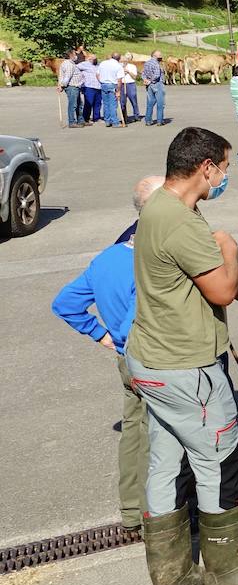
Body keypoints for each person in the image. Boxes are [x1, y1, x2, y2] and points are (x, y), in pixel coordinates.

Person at [124, 128, 238, 585]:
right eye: (225, 167)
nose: (226, 176)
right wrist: (228, 249)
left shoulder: (162, 207)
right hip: (185, 362)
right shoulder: (180, 222)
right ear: (206, 167)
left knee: (165, 460)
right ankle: (227, 569)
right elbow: (219, 290)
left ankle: (170, 577)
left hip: (153, 357)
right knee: (216, 456)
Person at [52, 175, 166, 530]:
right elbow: (140, 317)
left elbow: (65, 303)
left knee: (134, 430)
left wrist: (101, 334)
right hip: (153, 358)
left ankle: (131, 508)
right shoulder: (153, 260)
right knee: (158, 434)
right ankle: (156, 513)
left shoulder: (108, 257)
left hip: (124, 358)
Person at [99, 50, 123, 127]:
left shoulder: (103, 63)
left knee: (106, 104)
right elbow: (119, 80)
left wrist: (101, 81)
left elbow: (97, 74)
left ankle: (107, 120)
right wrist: (118, 91)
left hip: (104, 84)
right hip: (113, 85)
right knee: (113, 104)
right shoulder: (118, 66)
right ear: (119, 58)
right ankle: (115, 122)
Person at [57, 49, 82, 127]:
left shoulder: (71, 63)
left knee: (79, 104)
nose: (76, 56)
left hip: (75, 86)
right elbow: (67, 77)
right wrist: (62, 85)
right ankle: (72, 122)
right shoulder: (68, 64)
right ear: (71, 55)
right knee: (73, 105)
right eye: (75, 54)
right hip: (72, 87)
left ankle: (80, 120)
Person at [121, 54, 142, 122]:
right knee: (122, 102)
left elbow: (135, 77)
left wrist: (128, 72)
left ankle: (136, 115)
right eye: (122, 60)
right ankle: (124, 116)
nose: (124, 62)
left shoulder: (132, 66)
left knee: (133, 100)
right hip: (122, 84)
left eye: (125, 60)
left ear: (128, 60)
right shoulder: (119, 66)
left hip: (130, 84)